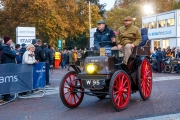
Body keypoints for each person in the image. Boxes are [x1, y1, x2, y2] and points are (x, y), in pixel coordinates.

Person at [0, 36, 19, 101]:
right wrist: (16, 53)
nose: (11, 41)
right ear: (7, 41)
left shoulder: (5, 47)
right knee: (7, 82)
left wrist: (14, 53)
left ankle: (5, 94)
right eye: (10, 40)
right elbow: (13, 54)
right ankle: (6, 96)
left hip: (6, 66)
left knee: (6, 81)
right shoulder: (5, 48)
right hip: (7, 67)